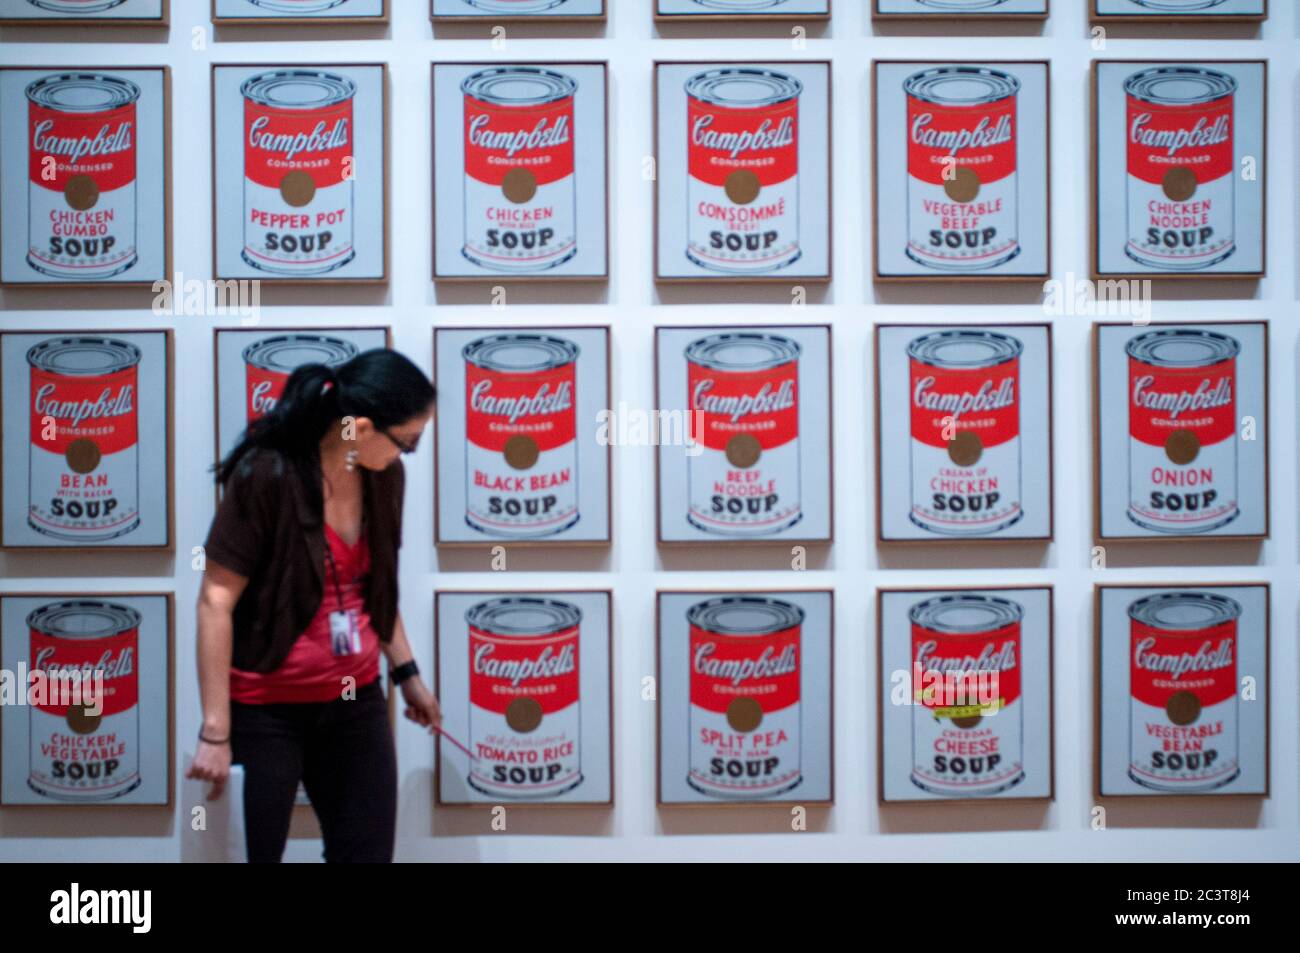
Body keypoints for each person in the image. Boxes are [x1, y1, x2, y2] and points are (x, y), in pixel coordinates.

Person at [186, 348, 442, 863]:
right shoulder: (268, 474)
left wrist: (408, 674)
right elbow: (215, 599)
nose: (407, 455)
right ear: (363, 428)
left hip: (354, 704)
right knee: (248, 856)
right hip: (265, 711)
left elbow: (377, 589)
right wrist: (216, 732)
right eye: (407, 443)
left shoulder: (384, 478)